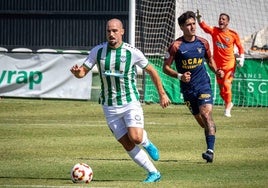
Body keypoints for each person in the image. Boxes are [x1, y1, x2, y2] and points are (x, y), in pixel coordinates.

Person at [70, 18, 170, 183]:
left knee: (135, 138)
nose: (111, 34)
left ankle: (146, 141)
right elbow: (82, 72)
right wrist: (76, 72)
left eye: (115, 30)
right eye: (109, 31)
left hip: (130, 102)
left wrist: (162, 93)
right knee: (127, 143)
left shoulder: (132, 52)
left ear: (122, 31)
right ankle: (153, 173)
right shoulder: (97, 51)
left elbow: (152, 70)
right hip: (109, 107)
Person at [163, 11, 223, 163]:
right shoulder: (176, 46)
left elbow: (210, 60)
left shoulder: (203, 42)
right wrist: (180, 76)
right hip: (188, 90)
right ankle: (211, 132)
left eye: (193, 24)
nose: (192, 27)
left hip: (203, 85)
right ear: (182, 27)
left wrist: (217, 71)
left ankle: (210, 151)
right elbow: (165, 68)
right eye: (188, 24)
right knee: (202, 121)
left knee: (206, 114)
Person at [196, 10, 245, 117]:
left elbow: (240, 47)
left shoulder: (233, 34)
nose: (221, 20)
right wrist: (199, 19)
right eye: (220, 18)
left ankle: (227, 108)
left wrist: (241, 58)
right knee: (222, 91)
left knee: (227, 85)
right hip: (217, 66)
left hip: (230, 65)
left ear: (227, 22)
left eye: (223, 19)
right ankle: (229, 102)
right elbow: (205, 27)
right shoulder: (214, 31)